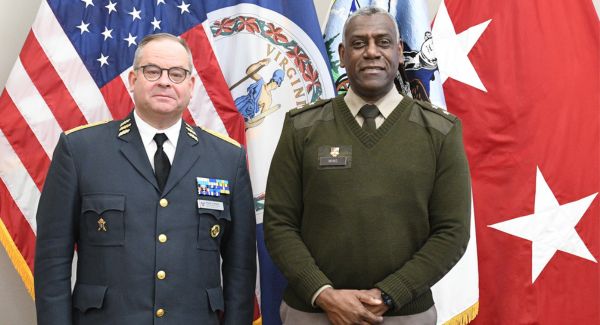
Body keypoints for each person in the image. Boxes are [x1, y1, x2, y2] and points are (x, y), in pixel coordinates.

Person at [264, 6, 471, 325]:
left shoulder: (440, 131)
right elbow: (279, 224)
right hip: (314, 312)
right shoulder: (302, 127)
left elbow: (452, 232)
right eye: (359, 43)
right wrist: (324, 294)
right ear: (343, 55)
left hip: (404, 314)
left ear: (400, 52)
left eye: (383, 41)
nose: (372, 51)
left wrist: (388, 295)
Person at [34, 33, 256, 325]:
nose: (165, 81)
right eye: (152, 71)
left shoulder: (228, 159)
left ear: (191, 86)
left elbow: (241, 271)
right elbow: (52, 263)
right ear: (132, 80)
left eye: (177, 74)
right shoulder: (80, 151)